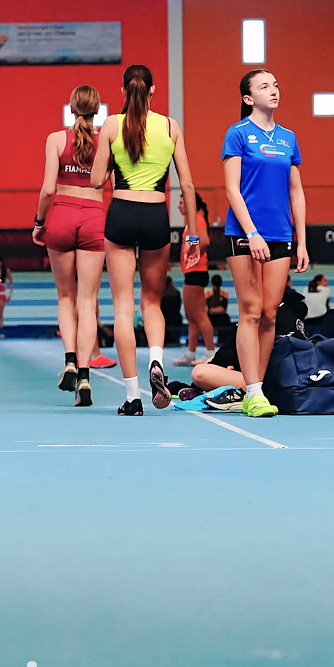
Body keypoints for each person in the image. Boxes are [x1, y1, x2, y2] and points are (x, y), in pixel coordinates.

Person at [87, 64, 203, 416]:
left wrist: (113, 162)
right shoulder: (169, 126)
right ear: (152, 91)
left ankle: (132, 397)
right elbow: (187, 185)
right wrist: (192, 233)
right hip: (156, 216)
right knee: (152, 302)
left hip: (122, 213)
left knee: (124, 308)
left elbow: (95, 180)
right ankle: (156, 361)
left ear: (123, 91)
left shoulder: (111, 126)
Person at [220, 68, 307, 420]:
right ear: (248, 98)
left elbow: (296, 191)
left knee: (271, 313)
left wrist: (301, 241)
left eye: (275, 85)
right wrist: (252, 233)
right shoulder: (238, 134)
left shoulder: (288, 138)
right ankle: (254, 392)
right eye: (264, 86)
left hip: (281, 234)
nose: (274, 90)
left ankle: (256, 388)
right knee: (251, 311)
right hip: (244, 234)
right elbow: (232, 189)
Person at [32, 84, 109, 406]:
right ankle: (86, 376)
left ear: (71, 107)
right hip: (94, 217)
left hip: (61, 216)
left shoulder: (55, 139)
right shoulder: (107, 140)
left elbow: (48, 189)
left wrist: (39, 223)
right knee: (87, 300)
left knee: (65, 296)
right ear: (97, 109)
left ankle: (69, 360)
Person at [175, 194, 214, 367]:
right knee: (191, 316)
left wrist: (192, 254)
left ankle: (210, 352)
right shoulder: (191, 221)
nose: (179, 206)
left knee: (199, 314)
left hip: (197, 272)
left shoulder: (197, 219)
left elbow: (204, 241)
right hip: (191, 272)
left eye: (182, 202)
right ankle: (191, 353)